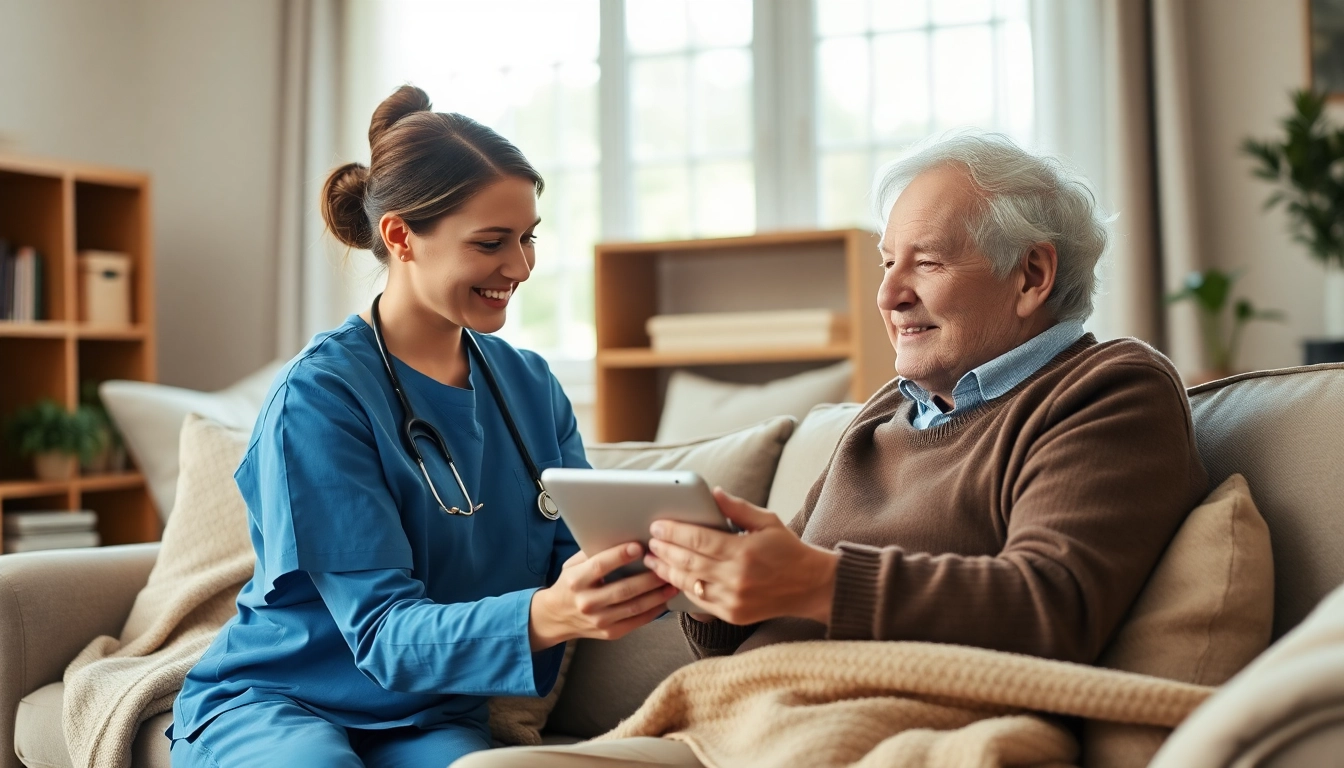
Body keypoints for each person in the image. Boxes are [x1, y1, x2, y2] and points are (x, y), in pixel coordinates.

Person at [454, 132, 1208, 767]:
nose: (888, 295)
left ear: (1032, 275)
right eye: (888, 262)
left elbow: (1054, 604)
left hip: (877, 723)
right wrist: (711, 583)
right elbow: (744, 634)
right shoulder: (884, 415)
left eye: (928, 263)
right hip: (746, 714)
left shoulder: (1108, 389)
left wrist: (813, 581)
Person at [168, 85, 678, 768]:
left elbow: (576, 556)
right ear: (401, 236)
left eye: (528, 239)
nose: (522, 267)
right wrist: (548, 614)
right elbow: (378, 633)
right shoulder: (319, 398)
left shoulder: (530, 388)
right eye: (492, 243)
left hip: (433, 706)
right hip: (285, 697)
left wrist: (661, 565)